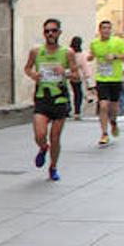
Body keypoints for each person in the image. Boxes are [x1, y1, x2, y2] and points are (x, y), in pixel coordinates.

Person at [25, 19, 76, 181]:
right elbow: (27, 68)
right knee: (40, 134)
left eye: (53, 31)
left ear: (59, 32)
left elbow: (76, 75)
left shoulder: (67, 53)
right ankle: (43, 147)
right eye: (47, 31)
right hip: (42, 97)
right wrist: (33, 75)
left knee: (55, 138)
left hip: (59, 98)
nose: (50, 34)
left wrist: (65, 72)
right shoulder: (36, 51)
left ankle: (53, 167)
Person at [88, 19, 124, 146]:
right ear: (99, 30)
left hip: (115, 78)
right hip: (102, 79)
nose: (105, 30)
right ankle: (104, 133)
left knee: (114, 107)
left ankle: (114, 122)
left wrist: (115, 56)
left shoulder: (118, 42)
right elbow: (92, 55)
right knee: (103, 105)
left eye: (108, 28)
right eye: (103, 28)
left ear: (111, 30)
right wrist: (89, 57)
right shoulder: (94, 43)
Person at [67, 35, 90, 121]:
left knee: (68, 93)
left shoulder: (68, 52)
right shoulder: (82, 54)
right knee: (78, 94)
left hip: (67, 75)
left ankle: (68, 109)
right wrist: (87, 76)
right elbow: (85, 66)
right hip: (78, 76)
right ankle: (77, 111)